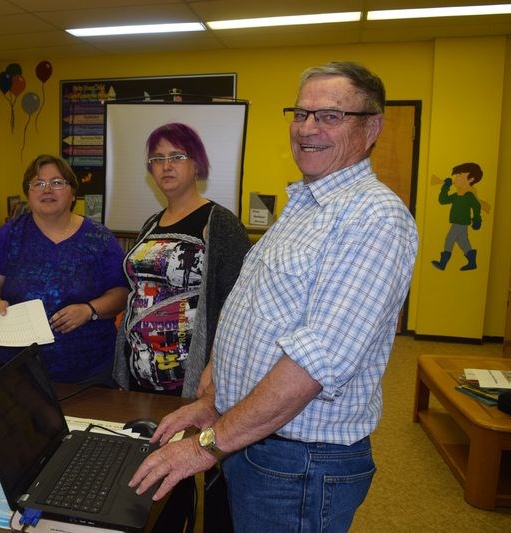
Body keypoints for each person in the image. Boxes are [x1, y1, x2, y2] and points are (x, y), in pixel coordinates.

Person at [129, 61, 419, 533]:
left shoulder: (374, 218)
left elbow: (314, 362)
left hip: (299, 461)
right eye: (301, 114)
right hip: (252, 436)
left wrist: (206, 443)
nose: (308, 128)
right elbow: (257, 316)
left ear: (371, 128)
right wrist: (215, 400)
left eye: (329, 116)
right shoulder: (305, 204)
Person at [113, 122, 250, 399]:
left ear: (197, 164)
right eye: (158, 159)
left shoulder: (220, 223)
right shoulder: (151, 224)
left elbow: (238, 303)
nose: (166, 166)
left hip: (191, 378)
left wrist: (215, 365)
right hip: (140, 372)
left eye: (177, 157)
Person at [0, 154, 128, 385]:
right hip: (15, 369)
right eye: (38, 183)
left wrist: (89, 310)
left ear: (73, 193)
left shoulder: (99, 238)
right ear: (28, 194)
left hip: (89, 372)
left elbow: (121, 292)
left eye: (57, 182)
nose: (47, 190)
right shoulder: (9, 235)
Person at [430, 162, 484, 271]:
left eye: (460, 175)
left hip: (461, 222)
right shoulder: (457, 194)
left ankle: (443, 263)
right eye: (457, 175)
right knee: (463, 242)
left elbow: (477, 206)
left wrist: (477, 220)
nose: (456, 178)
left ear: (471, 179)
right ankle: (472, 262)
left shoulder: (469, 195)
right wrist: (445, 187)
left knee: (449, 239)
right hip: (458, 222)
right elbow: (443, 200)